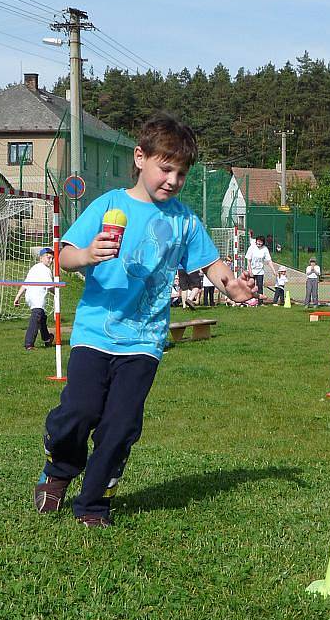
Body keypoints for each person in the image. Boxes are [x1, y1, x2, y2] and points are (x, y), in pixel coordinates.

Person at [34, 113, 257, 527]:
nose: (172, 180)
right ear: (140, 157)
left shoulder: (185, 221)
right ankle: (58, 468)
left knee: (120, 427)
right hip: (94, 333)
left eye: (181, 173)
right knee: (79, 413)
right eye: (165, 168)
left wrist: (233, 287)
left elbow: (213, 266)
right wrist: (85, 256)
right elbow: (63, 256)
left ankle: (94, 504)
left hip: (144, 341)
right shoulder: (109, 205)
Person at [13, 247, 55, 351]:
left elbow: (25, 284)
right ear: (41, 258)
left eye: (52, 258)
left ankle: (47, 338)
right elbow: (50, 286)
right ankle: (29, 344)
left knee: (42, 318)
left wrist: (18, 297)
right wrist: (57, 293)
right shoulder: (46, 270)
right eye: (48, 257)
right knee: (36, 319)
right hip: (37, 297)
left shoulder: (34, 268)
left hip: (29, 296)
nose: (50, 260)